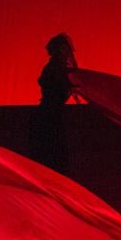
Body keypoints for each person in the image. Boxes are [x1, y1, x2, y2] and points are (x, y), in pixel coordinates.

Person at [29, 33, 77, 173]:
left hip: (51, 112)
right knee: (52, 150)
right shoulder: (55, 68)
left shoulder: (56, 67)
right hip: (51, 114)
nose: (67, 53)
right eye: (64, 49)